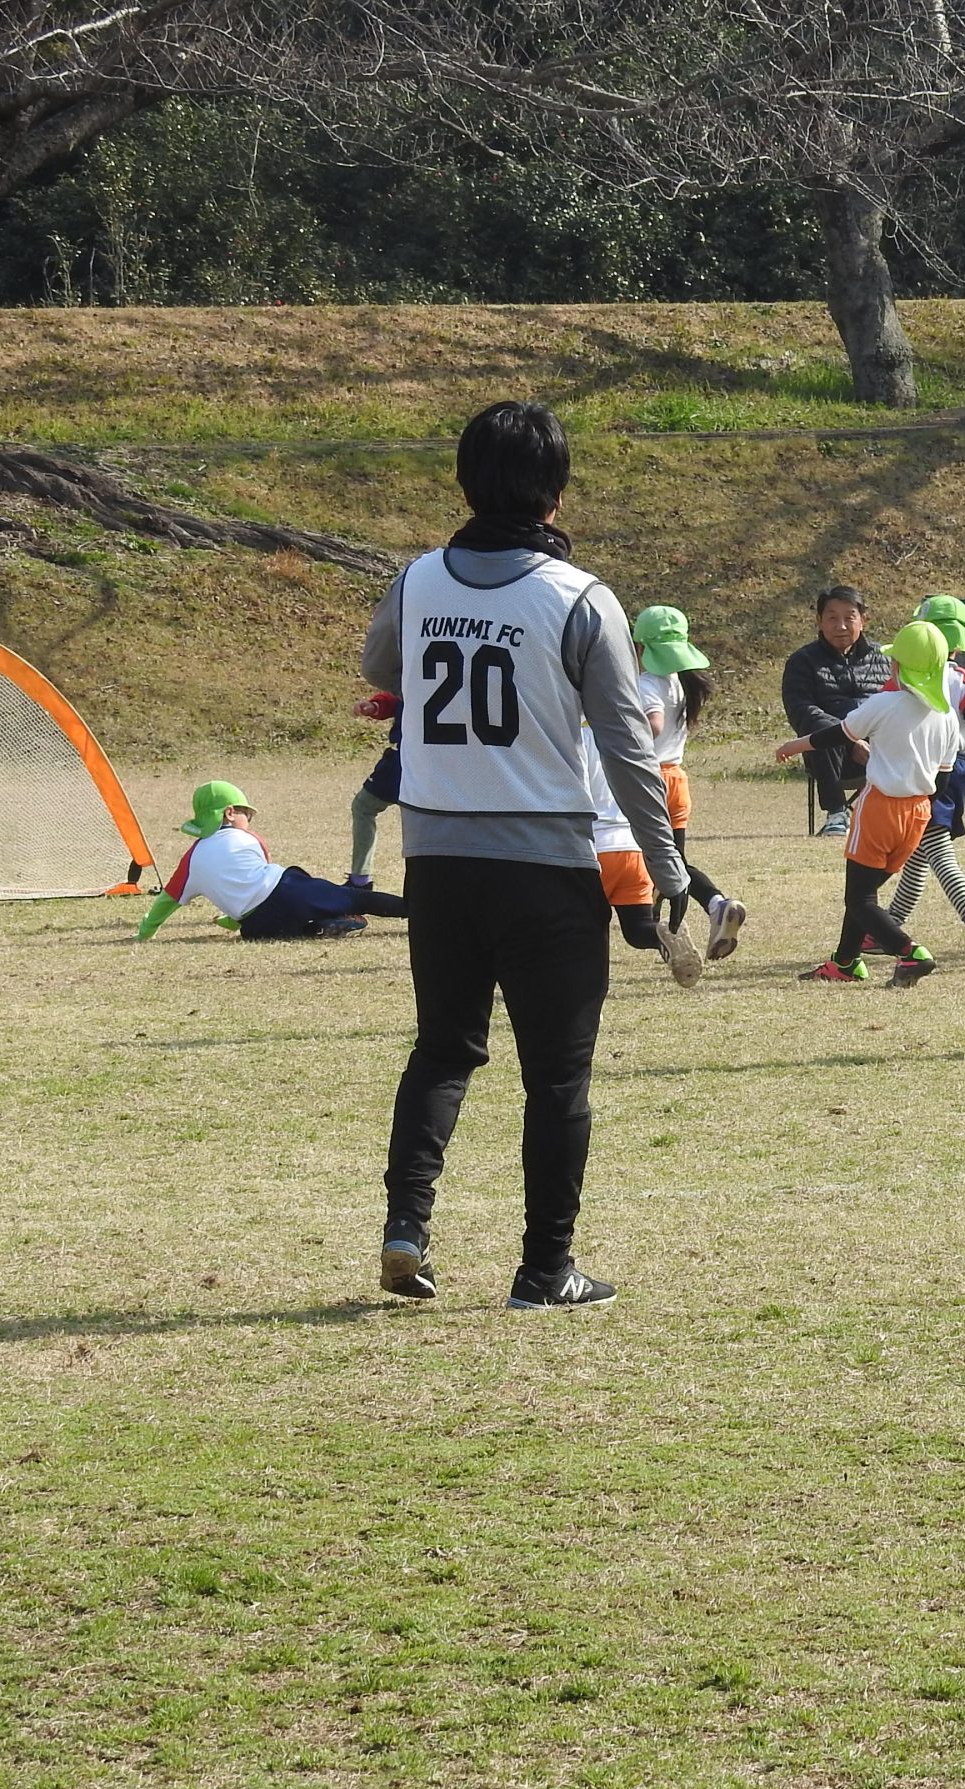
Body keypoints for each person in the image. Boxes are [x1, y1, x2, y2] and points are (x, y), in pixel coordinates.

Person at [365, 399, 685, 1311]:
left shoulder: (418, 580)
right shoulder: (580, 597)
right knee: (556, 1078)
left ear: (465, 483)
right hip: (545, 866)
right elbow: (627, 748)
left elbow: (380, 669)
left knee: (442, 1050)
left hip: (437, 862)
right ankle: (545, 1272)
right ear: (556, 494)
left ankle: (406, 1225)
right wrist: (667, 870)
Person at [777, 620, 963, 985]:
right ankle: (846, 963)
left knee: (859, 899)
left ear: (897, 666)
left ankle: (911, 953)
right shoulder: (946, 718)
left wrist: (795, 745)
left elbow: (838, 734)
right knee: (864, 893)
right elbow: (941, 782)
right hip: (918, 813)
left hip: (881, 809)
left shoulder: (884, 703)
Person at [885, 593, 965, 970]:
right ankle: (887, 926)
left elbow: (884, 715)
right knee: (920, 852)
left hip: (914, 771)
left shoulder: (903, 679)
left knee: (936, 848)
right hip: (954, 770)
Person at [137, 781, 407, 942]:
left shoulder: (190, 861)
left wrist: (145, 933)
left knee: (279, 930)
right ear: (229, 813)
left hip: (257, 923)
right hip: (287, 891)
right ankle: (415, 911)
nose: (249, 821)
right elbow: (260, 880)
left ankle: (320, 927)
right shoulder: (248, 838)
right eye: (247, 814)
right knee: (356, 898)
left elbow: (167, 901)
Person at [633, 605, 746, 960]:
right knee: (674, 860)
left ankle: (660, 932)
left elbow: (653, 724)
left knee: (648, 862)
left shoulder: (647, 684)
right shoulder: (680, 684)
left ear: (640, 647)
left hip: (648, 780)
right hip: (676, 780)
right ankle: (715, 904)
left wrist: (625, 731)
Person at [585, 729, 703, 988]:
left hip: (593, 850)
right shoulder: (623, 737)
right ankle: (664, 935)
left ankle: (590, 990)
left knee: (584, 931)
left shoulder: (573, 736)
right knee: (638, 929)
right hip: (632, 849)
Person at [780, 585, 892, 836]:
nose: (841, 626)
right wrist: (850, 740)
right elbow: (801, 711)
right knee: (820, 731)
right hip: (832, 756)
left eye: (849, 617)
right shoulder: (802, 661)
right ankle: (836, 814)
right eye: (832, 618)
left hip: (883, 750)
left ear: (863, 620)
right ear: (819, 622)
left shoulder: (886, 658)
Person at [347, 690, 401, 888]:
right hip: (446, 759)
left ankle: (360, 881)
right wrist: (376, 706)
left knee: (363, 807)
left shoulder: (417, 671)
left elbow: (400, 689)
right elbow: (398, 696)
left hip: (404, 758)